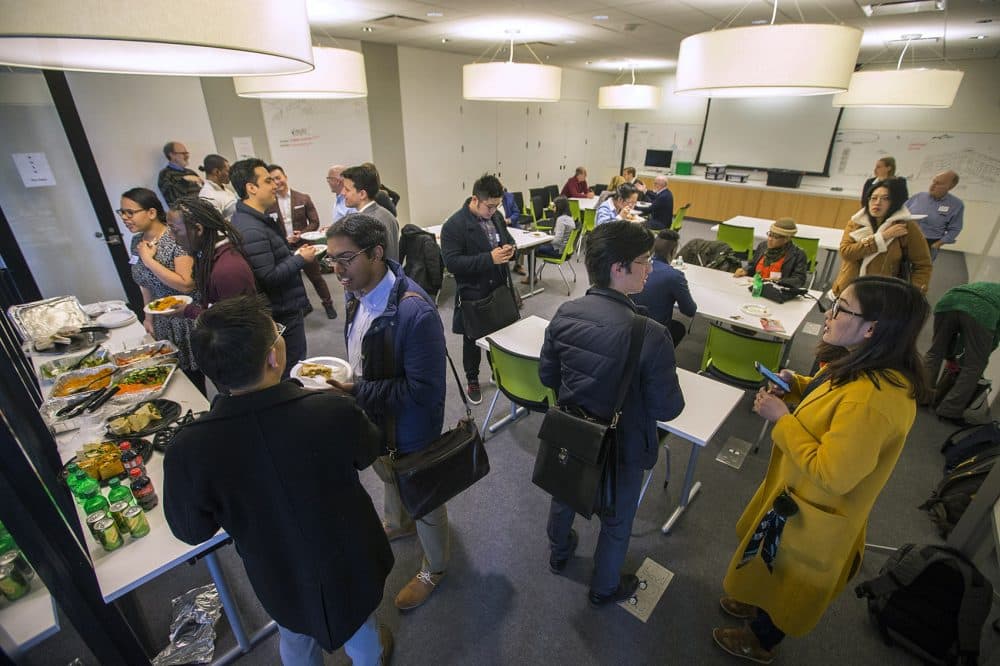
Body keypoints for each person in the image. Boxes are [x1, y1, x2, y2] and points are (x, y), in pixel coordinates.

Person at [162, 296, 394, 666]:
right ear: (274, 357)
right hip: (350, 552)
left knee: (294, 636)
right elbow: (368, 452)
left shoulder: (187, 449)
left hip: (275, 568)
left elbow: (192, 530)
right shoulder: (332, 410)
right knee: (362, 628)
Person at [714, 276, 930, 664]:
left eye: (841, 308)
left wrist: (782, 419)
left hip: (816, 512)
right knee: (771, 568)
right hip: (797, 497)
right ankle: (757, 604)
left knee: (790, 584)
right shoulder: (865, 364)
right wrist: (795, 385)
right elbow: (830, 395)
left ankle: (761, 641)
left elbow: (834, 474)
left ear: (872, 328)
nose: (828, 315)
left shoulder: (875, 400)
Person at [541, 221, 684, 606]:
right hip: (622, 444)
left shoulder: (564, 313)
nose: (650, 270)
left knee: (565, 493)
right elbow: (669, 408)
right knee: (618, 522)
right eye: (644, 262)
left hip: (573, 431)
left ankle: (558, 552)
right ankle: (604, 588)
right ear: (618, 268)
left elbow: (548, 375)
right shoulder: (651, 333)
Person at [325, 214, 450, 612]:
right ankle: (398, 523)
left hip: (411, 427)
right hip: (375, 416)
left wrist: (358, 390)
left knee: (425, 499)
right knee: (387, 474)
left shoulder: (416, 312)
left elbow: (424, 391)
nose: (337, 270)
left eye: (346, 259)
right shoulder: (356, 293)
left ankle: (437, 567)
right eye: (331, 260)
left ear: (377, 253)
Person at [229, 158, 314, 377]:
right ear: (251, 188)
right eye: (267, 181)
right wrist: (300, 259)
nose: (274, 185)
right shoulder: (251, 229)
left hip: (283, 306)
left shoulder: (255, 220)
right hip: (282, 310)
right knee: (290, 368)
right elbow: (268, 276)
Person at [440, 174, 516, 405]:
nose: (493, 210)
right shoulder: (454, 226)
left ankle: (497, 371)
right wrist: (489, 259)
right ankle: (472, 380)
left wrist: (511, 250)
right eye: (490, 206)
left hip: (498, 288)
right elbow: (452, 264)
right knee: (472, 339)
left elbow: (509, 239)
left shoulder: (497, 217)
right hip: (473, 291)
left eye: (497, 205)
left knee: (499, 334)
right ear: (475, 199)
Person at [118, 187, 202, 392]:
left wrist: (148, 260)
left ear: (152, 212)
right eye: (122, 213)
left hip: (186, 318)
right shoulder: (137, 241)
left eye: (131, 212)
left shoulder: (174, 238)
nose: (126, 218)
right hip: (162, 319)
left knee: (196, 376)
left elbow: (186, 283)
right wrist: (147, 316)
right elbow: (143, 282)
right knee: (176, 380)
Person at [830, 177, 932, 297]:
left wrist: (913, 294)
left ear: (895, 202)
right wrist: (882, 237)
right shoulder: (856, 222)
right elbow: (846, 252)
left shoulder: (905, 227)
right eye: (873, 198)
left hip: (882, 294)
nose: (877, 202)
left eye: (885, 198)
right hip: (847, 289)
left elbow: (922, 265)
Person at [164, 196, 257, 320]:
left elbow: (235, 323)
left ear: (198, 229)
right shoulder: (208, 256)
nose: (170, 236)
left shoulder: (228, 270)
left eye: (174, 230)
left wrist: (190, 311)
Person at [266, 164, 337, 320]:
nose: (277, 182)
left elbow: (315, 222)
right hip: (283, 248)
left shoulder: (303, 198)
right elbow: (268, 228)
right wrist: (283, 239)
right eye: (272, 180)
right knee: (294, 279)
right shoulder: (269, 203)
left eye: (278, 178)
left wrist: (302, 233)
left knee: (316, 277)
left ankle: (328, 304)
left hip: (305, 246)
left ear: (285, 177)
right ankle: (305, 305)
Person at [924, 282, 1000, 424]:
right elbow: (993, 338)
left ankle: (921, 396)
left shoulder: (991, 287)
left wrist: (951, 357)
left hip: (948, 301)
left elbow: (959, 335)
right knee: (974, 366)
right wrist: (973, 358)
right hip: (982, 311)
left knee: (935, 351)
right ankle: (949, 411)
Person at [633, 229, 696, 346]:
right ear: (673, 251)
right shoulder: (675, 276)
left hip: (629, 326)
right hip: (654, 332)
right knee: (679, 328)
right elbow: (689, 310)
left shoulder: (636, 266)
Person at [342, 165, 400, 263]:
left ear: (362, 194)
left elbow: (364, 265)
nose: (343, 193)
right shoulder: (387, 214)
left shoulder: (364, 224)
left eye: (347, 189)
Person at [733, 218, 809, 288]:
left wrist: (777, 281)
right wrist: (745, 270)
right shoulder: (763, 246)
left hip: (777, 290)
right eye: (770, 234)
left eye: (775, 237)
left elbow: (799, 280)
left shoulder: (797, 254)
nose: (769, 239)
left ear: (786, 239)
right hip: (755, 287)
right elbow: (752, 265)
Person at [906, 170, 964, 259]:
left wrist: (939, 243)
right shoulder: (919, 196)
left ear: (950, 187)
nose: (933, 185)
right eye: (934, 181)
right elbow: (901, 213)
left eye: (939, 183)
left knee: (920, 270)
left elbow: (955, 228)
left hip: (929, 242)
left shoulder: (956, 205)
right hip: (907, 237)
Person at [157, 141, 203, 205]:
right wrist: (185, 180)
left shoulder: (191, 172)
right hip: (185, 214)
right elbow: (172, 198)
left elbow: (203, 193)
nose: (187, 156)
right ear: (172, 155)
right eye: (183, 153)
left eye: (187, 153)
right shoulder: (165, 174)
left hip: (203, 211)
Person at [197, 154, 237, 221]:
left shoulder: (225, 189)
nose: (230, 174)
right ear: (216, 172)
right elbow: (216, 227)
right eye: (228, 171)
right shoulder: (207, 196)